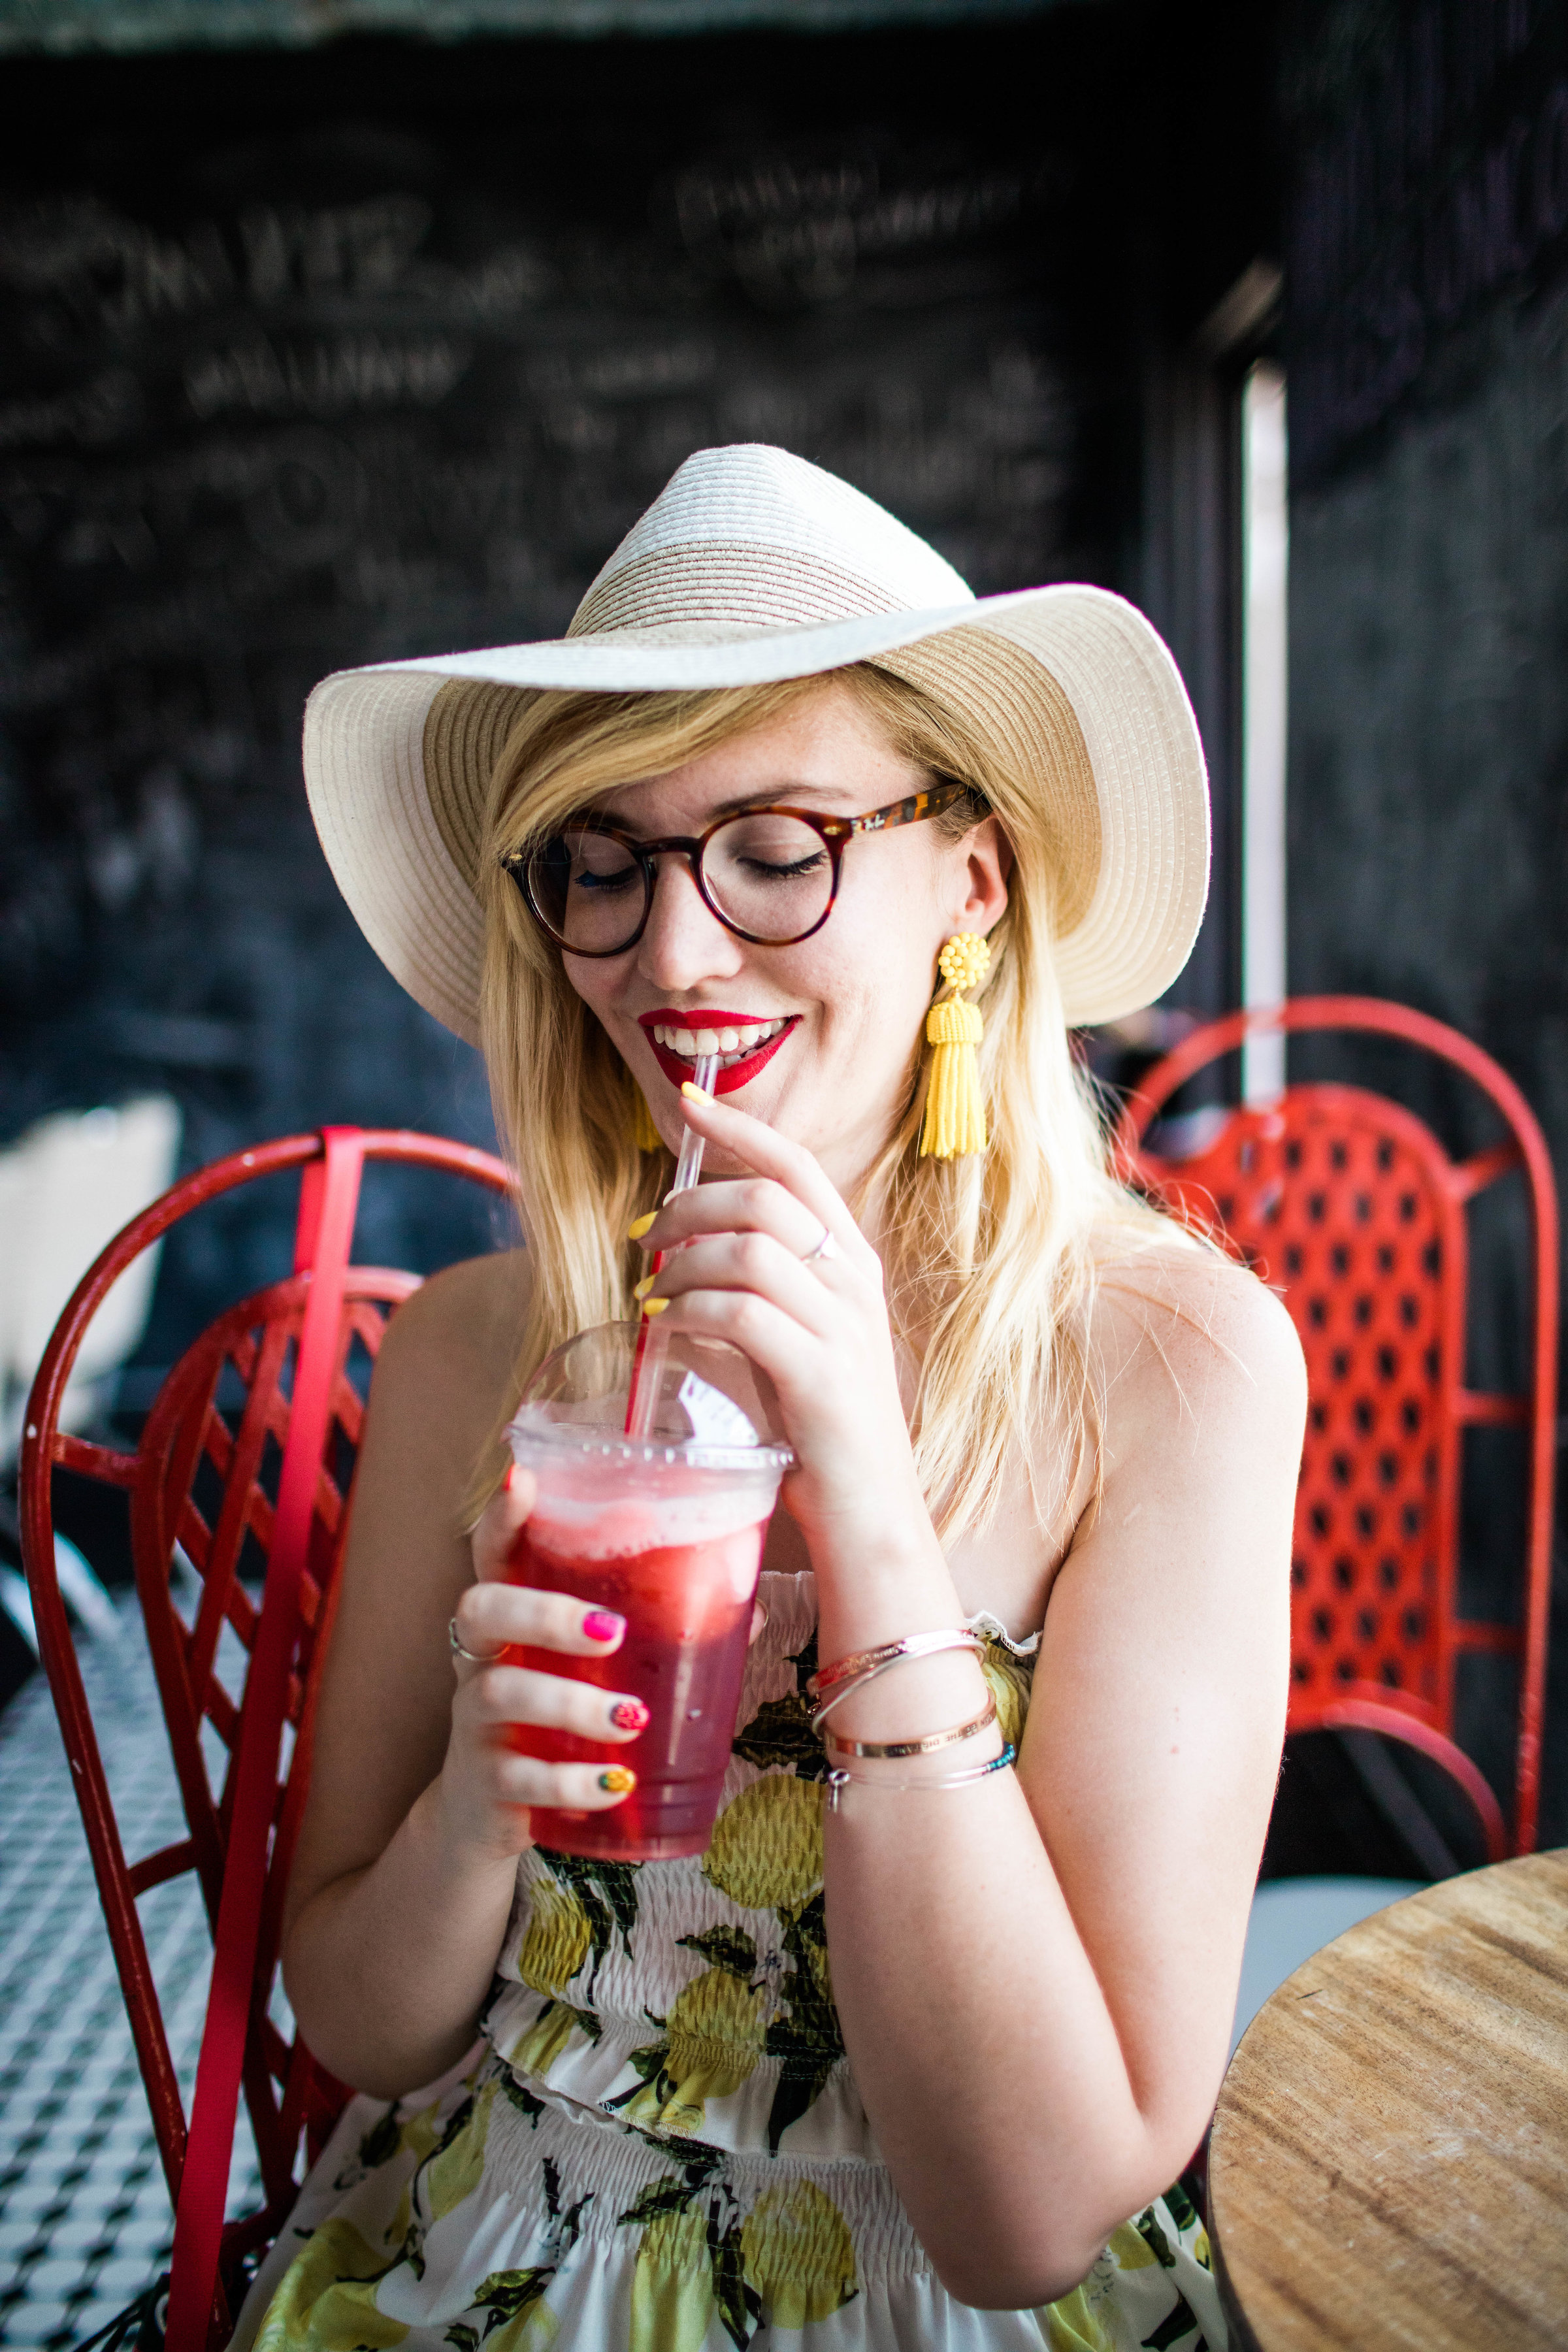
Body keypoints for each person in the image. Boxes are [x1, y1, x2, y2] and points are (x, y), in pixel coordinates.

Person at [235, 444, 1304, 2352]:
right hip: (496, 2241)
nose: (671, 952)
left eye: (779, 846)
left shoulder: (1179, 1364)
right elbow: (360, 2020)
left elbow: (1029, 2219)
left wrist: (872, 1507)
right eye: (605, 862)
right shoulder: (475, 1349)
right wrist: (477, 1801)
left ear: (971, 878)